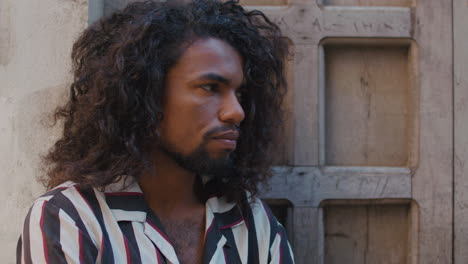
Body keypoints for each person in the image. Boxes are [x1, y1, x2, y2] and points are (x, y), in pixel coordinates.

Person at [17, 0, 293, 263]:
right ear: (145, 94)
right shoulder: (71, 219)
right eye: (210, 87)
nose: (236, 112)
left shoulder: (252, 222)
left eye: (240, 93)